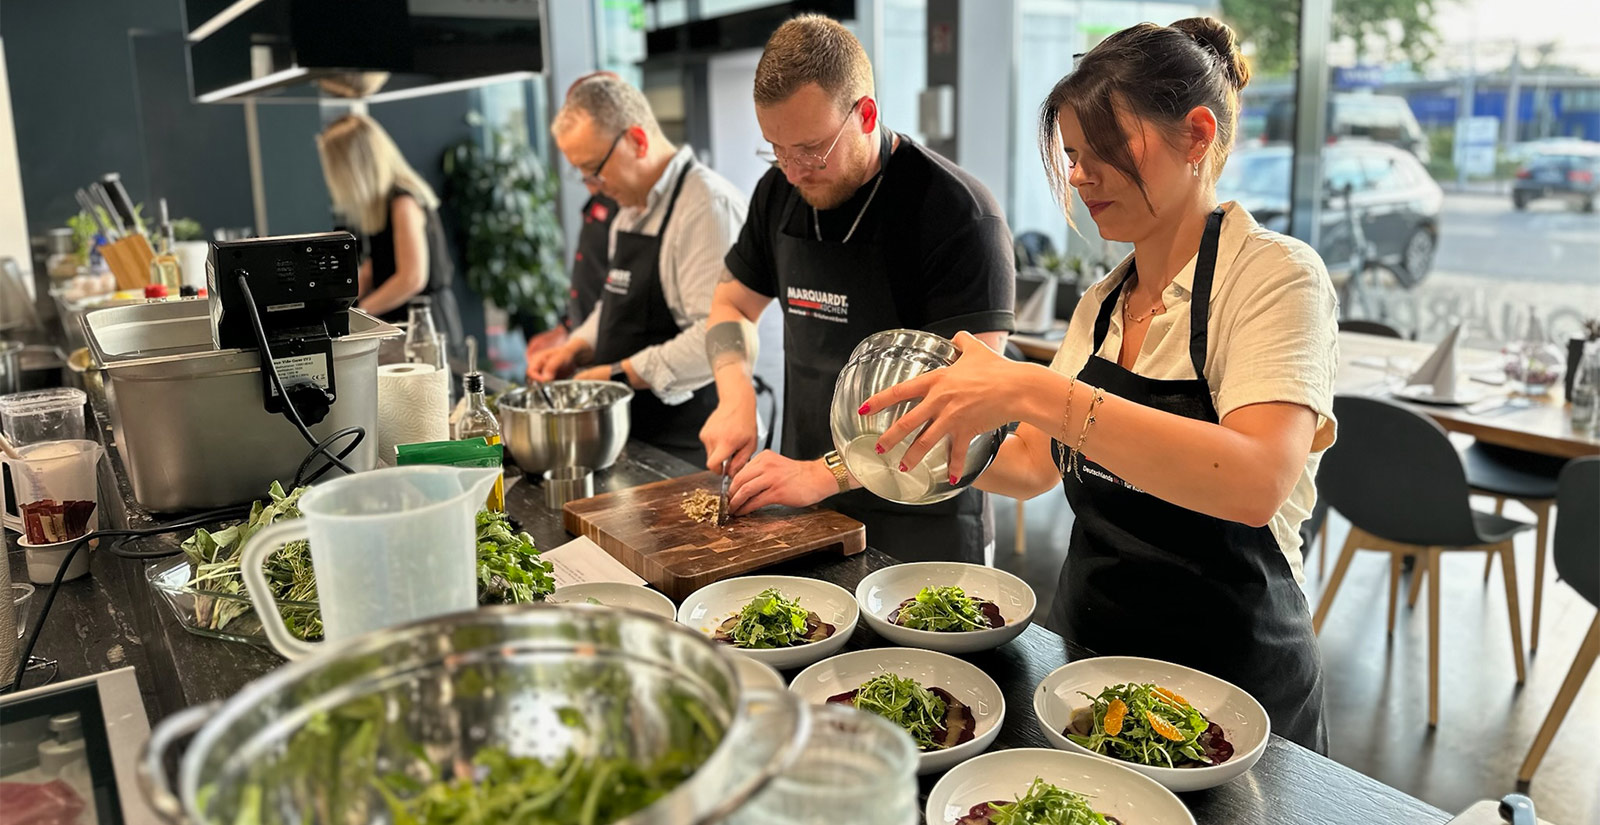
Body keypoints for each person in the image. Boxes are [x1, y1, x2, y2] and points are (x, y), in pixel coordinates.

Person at [857, 19, 1337, 752]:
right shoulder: (1103, 304)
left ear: (1197, 135)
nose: (1079, 178)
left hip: (1231, 708)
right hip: (1091, 686)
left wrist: (1029, 390)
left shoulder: (1274, 277)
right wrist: (936, 434)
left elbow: (1254, 478)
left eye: (1103, 152)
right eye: (1074, 157)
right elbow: (1031, 465)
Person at [701, 15, 1016, 565]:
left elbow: (967, 406)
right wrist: (735, 396)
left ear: (865, 113)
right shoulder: (778, 193)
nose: (794, 170)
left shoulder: (958, 216)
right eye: (776, 148)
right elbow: (731, 303)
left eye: (810, 149)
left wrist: (824, 473)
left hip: (924, 518)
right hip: (806, 505)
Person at [527, 74, 747, 467]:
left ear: (637, 140)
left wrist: (616, 375)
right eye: (582, 173)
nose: (592, 187)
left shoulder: (705, 208)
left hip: (689, 446)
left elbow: (716, 337)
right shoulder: (630, 209)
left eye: (594, 169)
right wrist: (575, 347)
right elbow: (613, 305)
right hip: (634, 436)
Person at [316, 113, 460, 339]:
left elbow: (411, 278)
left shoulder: (403, 203)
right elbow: (381, 263)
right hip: (409, 321)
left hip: (425, 326)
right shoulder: (383, 205)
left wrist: (360, 313)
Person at [526, 72, 622, 360]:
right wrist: (565, 330)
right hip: (589, 345)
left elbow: (618, 296)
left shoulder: (632, 202)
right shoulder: (600, 197)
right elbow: (591, 279)